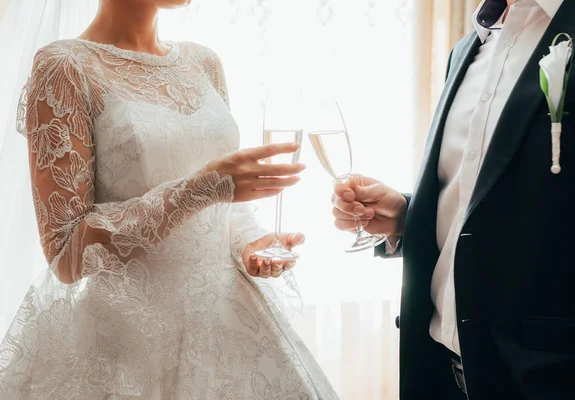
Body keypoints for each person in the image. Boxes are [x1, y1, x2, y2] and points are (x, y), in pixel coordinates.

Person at [0, 0, 338, 398]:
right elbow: (65, 253)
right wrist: (205, 186)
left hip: (229, 324)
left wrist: (248, 241)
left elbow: (224, 204)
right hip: (128, 347)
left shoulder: (203, 62)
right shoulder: (65, 67)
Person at [332, 0, 575, 399]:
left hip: (555, 380)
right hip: (441, 371)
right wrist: (407, 218)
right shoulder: (466, 49)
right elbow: (479, 197)